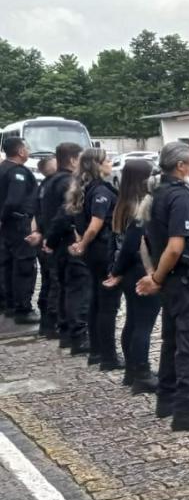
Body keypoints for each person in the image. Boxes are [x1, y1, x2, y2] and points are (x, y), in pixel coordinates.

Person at [136, 142, 189, 433]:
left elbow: (145, 241)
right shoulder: (180, 196)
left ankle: (167, 399)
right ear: (181, 166)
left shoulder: (157, 193)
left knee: (172, 340)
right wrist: (156, 278)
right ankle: (186, 410)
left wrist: (155, 275)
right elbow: (174, 247)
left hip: (173, 281)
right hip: (185, 280)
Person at [106, 159, 160, 394]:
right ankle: (142, 372)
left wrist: (117, 270)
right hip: (141, 269)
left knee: (133, 321)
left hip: (128, 270)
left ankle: (131, 369)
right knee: (143, 325)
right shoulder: (141, 205)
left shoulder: (123, 202)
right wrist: (117, 271)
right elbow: (131, 244)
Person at [66, 148, 123, 369]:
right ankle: (108, 356)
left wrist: (81, 243)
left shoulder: (85, 188)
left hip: (94, 252)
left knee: (97, 302)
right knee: (108, 305)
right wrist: (83, 243)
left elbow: (79, 223)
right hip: (103, 250)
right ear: (97, 165)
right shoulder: (100, 190)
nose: (110, 163)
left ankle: (97, 351)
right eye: (107, 160)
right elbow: (95, 224)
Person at [44, 142, 89, 353]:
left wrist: (49, 239)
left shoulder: (49, 182)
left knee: (64, 288)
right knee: (77, 290)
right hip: (69, 241)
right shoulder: (69, 183)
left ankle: (66, 333)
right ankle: (78, 336)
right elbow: (65, 214)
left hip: (58, 242)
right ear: (73, 160)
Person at [0, 137, 40, 324]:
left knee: (8, 264)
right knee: (23, 265)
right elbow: (14, 201)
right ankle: (22, 308)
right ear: (20, 151)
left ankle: (9, 304)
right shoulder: (18, 172)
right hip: (18, 223)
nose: (29, 151)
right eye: (27, 148)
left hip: (8, 225)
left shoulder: (2, 168)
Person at [29, 156, 60, 336]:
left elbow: (35, 213)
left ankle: (46, 323)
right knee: (54, 282)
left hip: (43, 239)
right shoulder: (53, 187)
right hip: (50, 241)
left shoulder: (42, 187)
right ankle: (52, 322)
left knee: (48, 281)